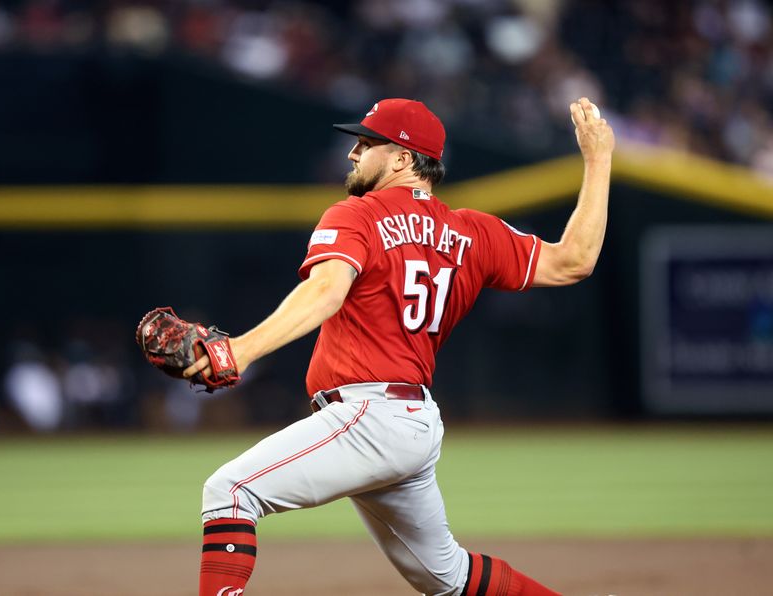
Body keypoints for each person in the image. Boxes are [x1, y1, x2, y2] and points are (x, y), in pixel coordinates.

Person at [184, 96, 614, 595]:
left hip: (369, 417)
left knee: (229, 492)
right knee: (447, 577)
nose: (352, 154)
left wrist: (240, 350)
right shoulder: (472, 231)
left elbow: (325, 291)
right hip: (412, 422)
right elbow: (574, 261)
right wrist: (599, 159)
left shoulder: (356, 215)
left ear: (402, 158)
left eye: (366, 144)